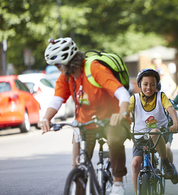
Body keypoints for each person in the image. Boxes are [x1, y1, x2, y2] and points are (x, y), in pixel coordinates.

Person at [39, 37, 131, 195]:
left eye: (58, 64)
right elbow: (57, 99)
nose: (57, 68)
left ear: (69, 61)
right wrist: (46, 118)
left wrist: (121, 113)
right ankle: (79, 185)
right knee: (78, 164)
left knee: (114, 138)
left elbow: (122, 93)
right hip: (86, 122)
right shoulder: (66, 76)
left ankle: (118, 184)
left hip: (111, 119)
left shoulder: (93, 68)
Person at [128, 68, 178, 195]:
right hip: (140, 136)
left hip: (161, 133)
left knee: (154, 131)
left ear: (157, 85)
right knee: (135, 164)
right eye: (145, 84)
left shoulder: (161, 96)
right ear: (140, 85)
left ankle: (167, 164)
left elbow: (171, 109)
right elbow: (127, 112)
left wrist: (175, 123)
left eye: (152, 84)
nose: (149, 87)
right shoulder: (134, 99)